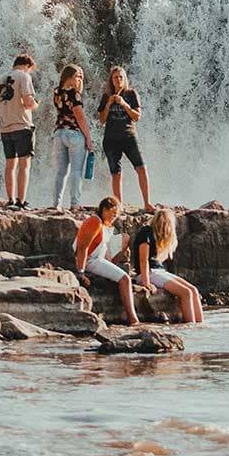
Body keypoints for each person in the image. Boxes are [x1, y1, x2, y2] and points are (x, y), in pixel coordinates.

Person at [127, 207, 202, 325]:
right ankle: (191, 326)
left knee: (193, 290)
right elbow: (143, 259)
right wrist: (146, 283)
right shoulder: (146, 231)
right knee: (185, 293)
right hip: (149, 272)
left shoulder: (158, 236)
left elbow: (161, 258)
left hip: (158, 270)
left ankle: (200, 326)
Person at [74, 196, 139, 326]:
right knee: (125, 279)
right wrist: (81, 272)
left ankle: (132, 318)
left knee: (124, 238)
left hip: (98, 257)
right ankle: (133, 319)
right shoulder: (94, 221)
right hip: (90, 260)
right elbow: (82, 248)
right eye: (112, 214)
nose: (114, 217)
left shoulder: (103, 223)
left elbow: (104, 245)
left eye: (116, 215)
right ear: (104, 209)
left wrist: (110, 263)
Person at [97, 64, 150, 208]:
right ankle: (118, 205)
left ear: (125, 79)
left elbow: (137, 116)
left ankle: (147, 203)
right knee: (116, 173)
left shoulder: (132, 94)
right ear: (111, 80)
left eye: (121, 77)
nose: (118, 80)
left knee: (141, 168)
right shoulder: (106, 96)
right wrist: (108, 104)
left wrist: (124, 104)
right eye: (115, 77)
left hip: (129, 136)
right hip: (111, 139)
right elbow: (101, 120)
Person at [48, 62, 94, 209]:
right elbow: (80, 117)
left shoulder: (57, 91)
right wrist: (88, 138)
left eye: (81, 77)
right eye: (77, 76)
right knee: (76, 170)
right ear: (68, 77)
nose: (80, 80)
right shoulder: (74, 94)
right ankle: (75, 203)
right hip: (74, 134)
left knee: (61, 171)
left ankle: (56, 204)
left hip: (59, 133)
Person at [0, 53, 37, 208]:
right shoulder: (24, 77)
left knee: (9, 165)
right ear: (27, 65)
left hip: (5, 127)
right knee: (24, 165)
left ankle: (10, 200)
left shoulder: (0, 79)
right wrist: (35, 105)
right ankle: (21, 201)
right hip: (22, 125)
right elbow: (28, 101)